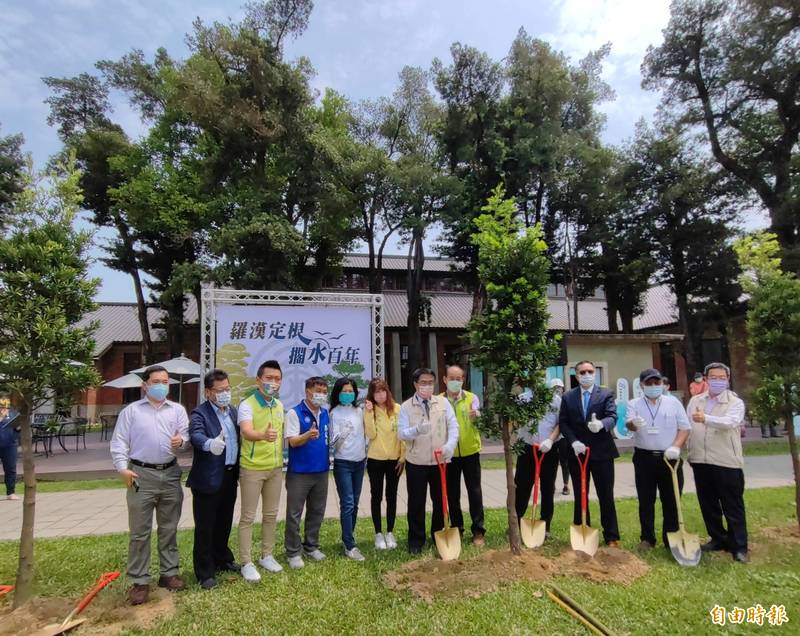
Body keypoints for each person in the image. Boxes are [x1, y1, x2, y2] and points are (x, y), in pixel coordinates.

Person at [110, 365, 189, 605]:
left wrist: (181, 441)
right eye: (156, 381)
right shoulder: (131, 412)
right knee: (139, 532)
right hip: (139, 474)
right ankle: (140, 581)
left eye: (165, 381)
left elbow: (185, 438)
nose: (161, 385)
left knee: (169, 528)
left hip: (170, 473)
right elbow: (119, 442)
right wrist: (122, 468)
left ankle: (169, 573)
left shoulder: (177, 410)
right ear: (145, 385)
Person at [686, 362, 749, 563]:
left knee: (732, 505)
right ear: (705, 379)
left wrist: (706, 418)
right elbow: (687, 425)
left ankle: (739, 546)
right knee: (708, 503)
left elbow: (731, 422)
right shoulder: (696, 400)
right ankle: (718, 538)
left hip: (726, 461)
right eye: (713, 377)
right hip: (700, 460)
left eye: (722, 378)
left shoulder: (735, 402)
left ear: (728, 379)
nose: (718, 381)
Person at [186, 369, 241, 590]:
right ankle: (204, 572)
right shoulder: (200, 414)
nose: (225, 393)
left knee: (224, 522)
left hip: (229, 475)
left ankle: (223, 559)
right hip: (208, 479)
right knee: (205, 527)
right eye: (220, 390)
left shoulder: (233, 412)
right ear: (209, 392)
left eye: (228, 389)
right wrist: (210, 444)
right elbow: (196, 435)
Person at [626, 368, 691, 550]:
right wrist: (634, 424)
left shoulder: (673, 403)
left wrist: (676, 446)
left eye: (657, 383)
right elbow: (628, 425)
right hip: (644, 458)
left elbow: (685, 428)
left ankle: (671, 537)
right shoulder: (634, 404)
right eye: (649, 383)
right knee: (646, 500)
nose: (654, 386)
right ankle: (647, 538)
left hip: (669, 458)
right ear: (642, 385)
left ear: (662, 384)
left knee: (671, 499)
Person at [558, 361, 620, 547]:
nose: (586, 374)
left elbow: (612, 416)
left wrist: (602, 424)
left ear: (595, 373)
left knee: (606, 495)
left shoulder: (606, 393)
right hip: (577, 453)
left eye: (590, 371)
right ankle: (582, 528)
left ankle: (612, 536)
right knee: (580, 494)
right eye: (582, 372)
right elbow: (564, 422)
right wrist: (573, 441)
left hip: (602, 452)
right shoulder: (568, 397)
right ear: (576, 375)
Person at [398, 367, 459, 554]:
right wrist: (416, 430)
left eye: (430, 383)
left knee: (441, 501)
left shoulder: (443, 403)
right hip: (417, 461)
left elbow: (453, 426)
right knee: (416, 502)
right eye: (423, 383)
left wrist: (450, 446)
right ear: (415, 384)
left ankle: (438, 534)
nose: (427, 386)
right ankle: (416, 540)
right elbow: (401, 433)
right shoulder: (406, 407)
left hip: (441, 461)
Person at [237, 360, 286, 581]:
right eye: (269, 378)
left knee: (271, 514)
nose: (272, 383)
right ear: (258, 380)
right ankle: (246, 562)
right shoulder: (247, 404)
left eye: (277, 379)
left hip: (275, 468)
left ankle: (267, 555)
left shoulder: (279, 405)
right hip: (252, 469)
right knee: (248, 517)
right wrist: (262, 436)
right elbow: (246, 431)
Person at [284, 377, 331, 569]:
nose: (320, 395)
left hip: (322, 470)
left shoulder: (326, 413)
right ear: (307, 392)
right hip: (299, 472)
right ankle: (293, 552)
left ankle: (311, 546)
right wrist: (307, 435)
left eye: (323, 392)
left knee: (317, 511)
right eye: (317, 391)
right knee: (294, 513)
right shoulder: (295, 413)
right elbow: (292, 442)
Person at [440, 363, 486, 546]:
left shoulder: (472, 398)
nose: (455, 382)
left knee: (475, 492)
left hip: (470, 452)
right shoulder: (439, 401)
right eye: (451, 378)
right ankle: (457, 528)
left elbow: (479, 419)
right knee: (452, 493)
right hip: (449, 454)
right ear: (445, 380)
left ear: (463, 380)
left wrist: (478, 416)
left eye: (458, 379)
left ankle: (478, 531)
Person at [514, 378, 565, 537]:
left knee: (548, 487)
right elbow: (515, 421)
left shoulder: (556, 400)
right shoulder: (523, 399)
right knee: (522, 485)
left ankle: (546, 524)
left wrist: (550, 439)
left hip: (549, 448)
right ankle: (517, 522)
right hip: (528, 448)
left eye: (541, 377)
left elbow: (560, 423)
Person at [364, 378, 404, 551]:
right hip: (375, 459)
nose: (380, 395)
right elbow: (371, 435)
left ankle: (390, 532)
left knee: (392, 495)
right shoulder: (370, 411)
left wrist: (402, 457)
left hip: (394, 460)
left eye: (382, 391)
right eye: (376, 392)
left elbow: (402, 434)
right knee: (376, 496)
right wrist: (368, 413)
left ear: (387, 391)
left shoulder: (397, 409)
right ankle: (378, 533)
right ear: (372, 395)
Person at [330, 377, 368, 561]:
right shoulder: (333, 413)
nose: (348, 394)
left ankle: (348, 537)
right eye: (344, 391)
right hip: (343, 462)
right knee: (348, 503)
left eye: (350, 391)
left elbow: (367, 432)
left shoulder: (359, 411)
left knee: (355, 503)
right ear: (338, 393)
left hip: (359, 462)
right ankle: (349, 544)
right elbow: (332, 443)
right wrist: (341, 436)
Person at [0, 398, 20, 501]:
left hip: (9, 445)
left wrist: (18, 428)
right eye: (1, 407)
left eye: (4, 407)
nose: (2, 409)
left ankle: (11, 492)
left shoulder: (13, 415)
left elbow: (17, 430)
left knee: (10, 469)